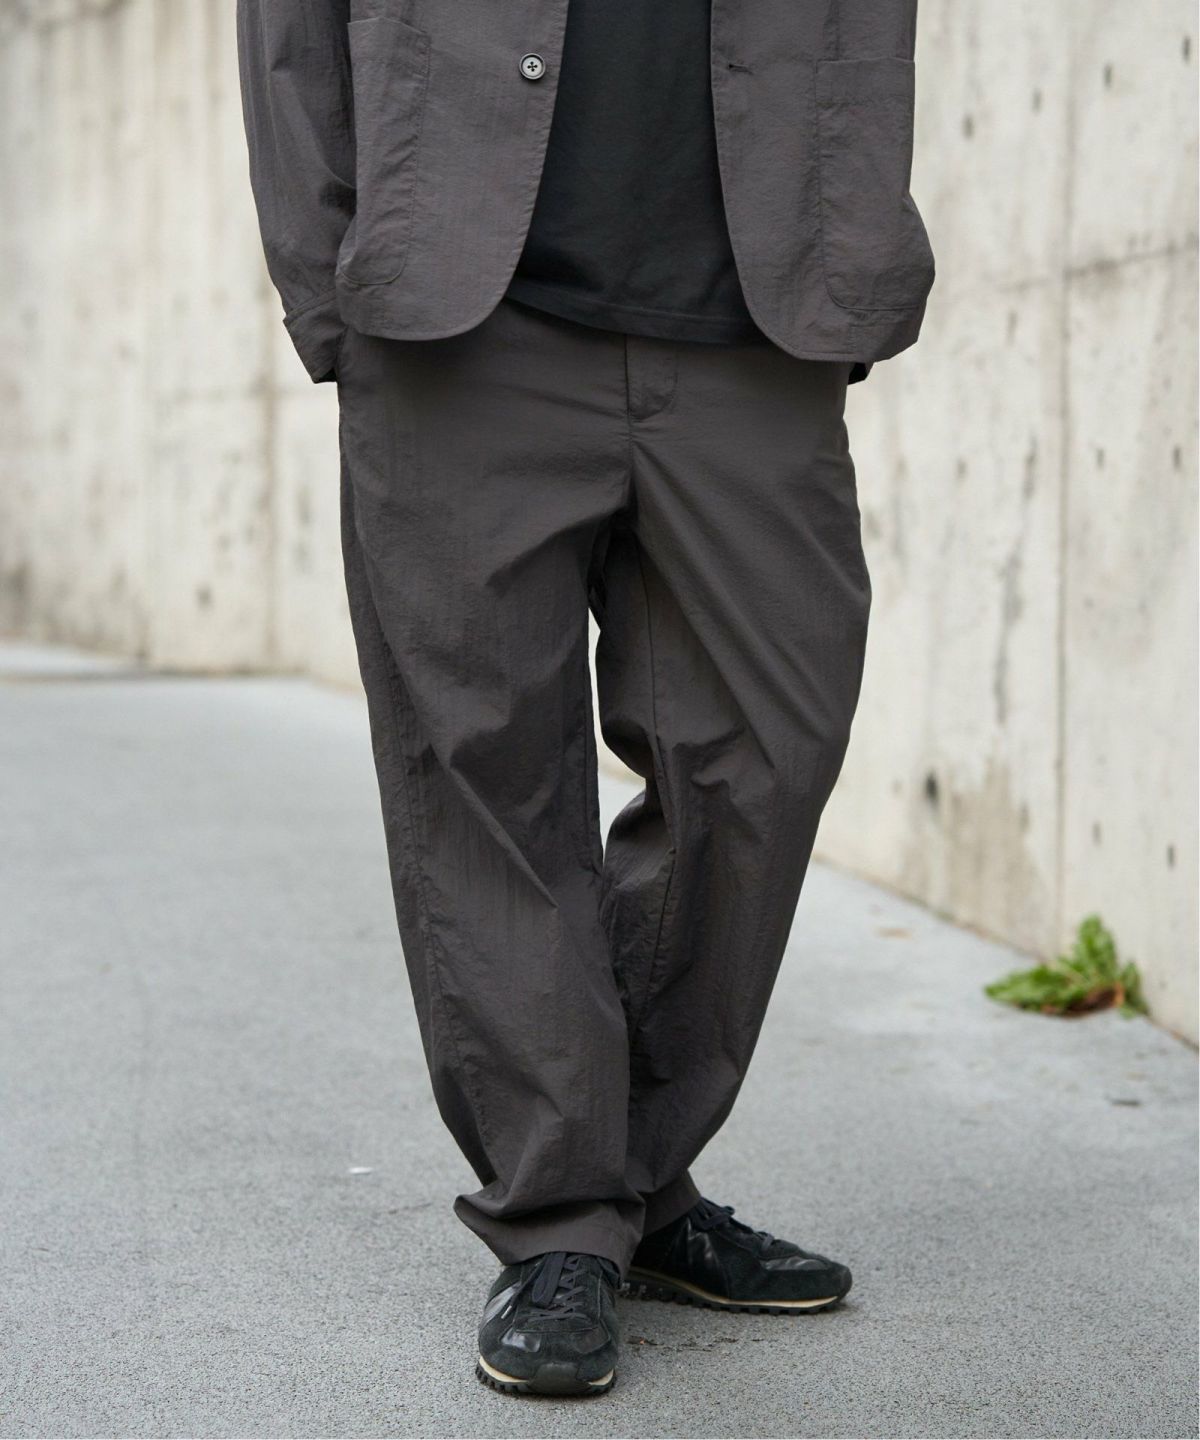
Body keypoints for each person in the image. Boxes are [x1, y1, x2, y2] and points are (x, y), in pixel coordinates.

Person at [237, 0, 934, 1398]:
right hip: (459, 321)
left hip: (753, 324)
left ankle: (638, 1179)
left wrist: (851, 243)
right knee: (487, 775)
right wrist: (328, 292)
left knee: (768, 754)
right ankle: (562, 1219)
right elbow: (290, 30)